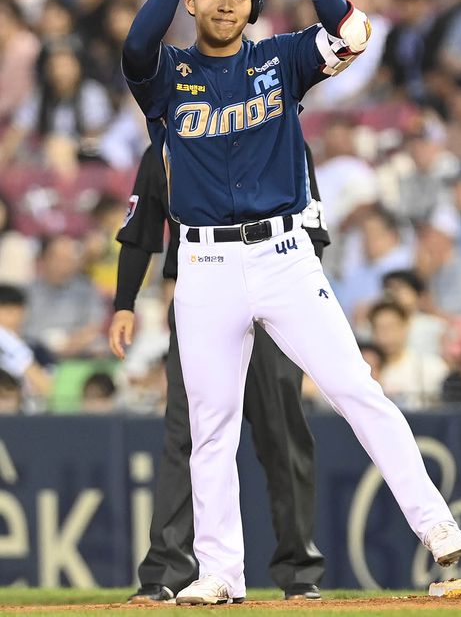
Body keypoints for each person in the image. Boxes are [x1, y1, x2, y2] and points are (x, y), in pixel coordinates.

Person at [122, 0, 461, 605]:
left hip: (283, 255)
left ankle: (435, 522)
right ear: (192, 0)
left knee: (354, 387)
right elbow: (135, 50)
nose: (227, 0)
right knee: (211, 425)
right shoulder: (171, 74)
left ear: (254, 4)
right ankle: (221, 571)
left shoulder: (279, 58)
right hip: (204, 265)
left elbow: (355, 33)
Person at [109, 142, 329, 602]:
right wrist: (124, 302)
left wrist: (298, 304)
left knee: (282, 434)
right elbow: (141, 228)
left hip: (274, 301)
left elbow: (311, 230)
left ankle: (299, 571)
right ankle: (166, 574)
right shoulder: (168, 146)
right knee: (187, 436)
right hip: (200, 302)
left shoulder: (281, 130)